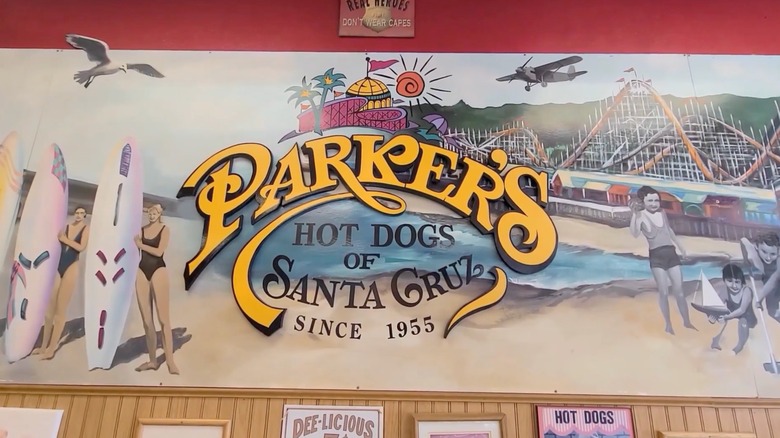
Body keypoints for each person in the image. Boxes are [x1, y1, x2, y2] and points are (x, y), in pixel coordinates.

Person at [629, 186, 695, 334]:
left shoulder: (662, 213)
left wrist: (681, 248)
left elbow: (669, 231)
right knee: (664, 292)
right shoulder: (641, 216)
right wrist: (634, 215)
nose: (654, 203)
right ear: (643, 201)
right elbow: (634, 233)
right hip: (656, 256)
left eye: (656, 200)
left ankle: (686, 321)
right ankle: (668, 324)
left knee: (679, 290)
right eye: (650, 200)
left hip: (671, 253)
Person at [33, 206, 89, 360]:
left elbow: (81, 247)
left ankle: (52, 349)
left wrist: (64, 239)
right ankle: (43, 346)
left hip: (71, 268)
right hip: (58, 266)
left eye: (81, 213)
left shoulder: (85, 229)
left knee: (60, 311)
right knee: (49, 310)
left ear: (85, 215)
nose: (78, 215)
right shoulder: (66, 227)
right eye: (76, 213)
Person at [134, 204, 179, 374]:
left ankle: (170, 362)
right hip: (141, 271)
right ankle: (153, 361)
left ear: (160, 214)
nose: (152, 215)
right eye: (150, 212)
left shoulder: (164, 229)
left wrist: (140, 244)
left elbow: (159, 252)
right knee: (147, 321)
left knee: (164, 320)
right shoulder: (142, 229)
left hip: (158, 270)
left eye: (155, 212)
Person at [709, 264, 757, 355]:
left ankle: (739, 345)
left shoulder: (747, 291)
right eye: (730, 281)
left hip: (747, 319)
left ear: (742, 282)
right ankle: (716, 340)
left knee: (742, 321)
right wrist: (712, 317)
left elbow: (742, 310)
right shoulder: (724, 291)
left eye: (737, 282)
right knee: (721, 317)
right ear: (724, 280)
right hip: (731, 319)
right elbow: (717, 307)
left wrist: (727, 317)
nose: (734, 285)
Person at [740, 232, 780, 321]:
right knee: (772, 312)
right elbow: (743, 241)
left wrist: (759, 298)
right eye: (764, 252)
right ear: (757, 247)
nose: (768, 257)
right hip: (771, 284)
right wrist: (746, 258)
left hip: (775, 280)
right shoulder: (754, 252)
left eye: (773, 254)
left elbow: (775, 277)